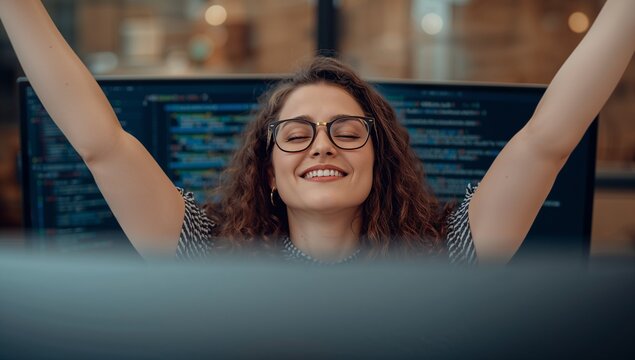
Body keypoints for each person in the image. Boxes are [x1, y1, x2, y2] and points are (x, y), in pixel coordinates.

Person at [1, 0, 633, 264]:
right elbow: (100, 143)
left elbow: (548, 138)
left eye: (346, 131)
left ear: (378, 159)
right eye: (296, 133)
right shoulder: (207, 249)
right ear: (267, 169)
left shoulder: (450, 253)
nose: (322, 144)